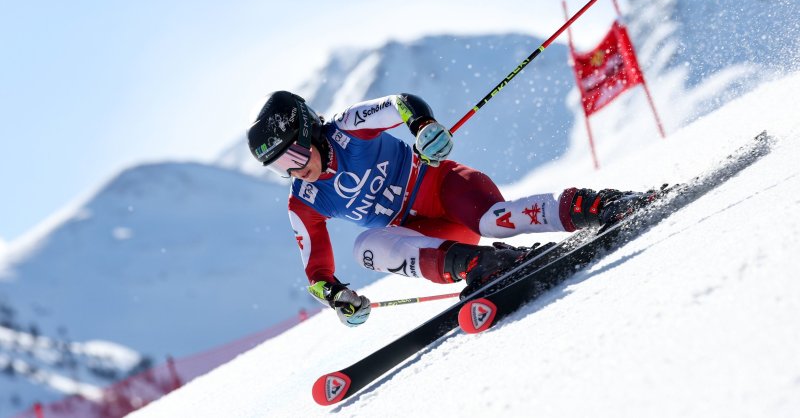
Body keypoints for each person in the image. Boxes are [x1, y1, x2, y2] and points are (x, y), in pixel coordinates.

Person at [246, 91, 654, 327]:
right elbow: (317, 274)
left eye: (295, 153)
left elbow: (400, 103)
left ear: (309, 130)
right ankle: (481, 266)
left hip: (446, 188)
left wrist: (423, 127)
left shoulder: (346, 126)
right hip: (423, 234)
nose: (297, 169)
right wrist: (337, 297)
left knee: (494, 221)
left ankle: (598, 205)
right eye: (281, 166)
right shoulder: (303, 201)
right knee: (365, 248)